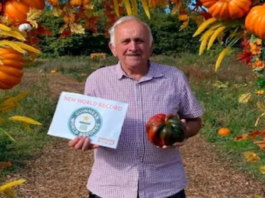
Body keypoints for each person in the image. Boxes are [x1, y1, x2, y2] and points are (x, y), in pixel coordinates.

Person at [69, 16, 204, 198]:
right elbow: (87, 122)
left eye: (139, 41)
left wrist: (183, 131)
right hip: (110, 187)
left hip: (165, 187)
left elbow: (195, 120)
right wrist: (84, 137)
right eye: (125, 41)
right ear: (113, 48)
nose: (133, 47)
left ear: (151, 47)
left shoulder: (174, 78)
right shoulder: (97, 80)